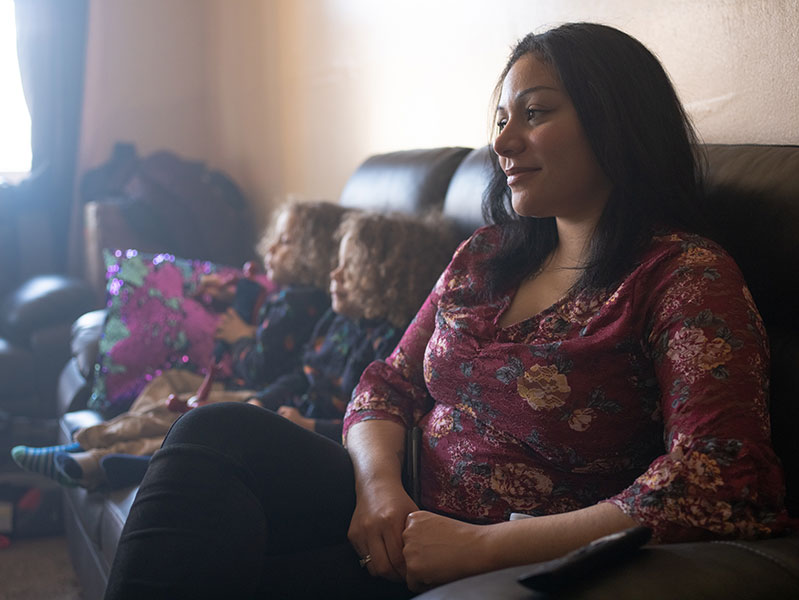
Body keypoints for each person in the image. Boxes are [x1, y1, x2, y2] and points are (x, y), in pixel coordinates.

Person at [103, 23, 794, 600]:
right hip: (396, 504)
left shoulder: (681, 275)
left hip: (500, 546)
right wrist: (378, 491)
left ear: (616, 120)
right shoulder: (484, 255)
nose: (502, 142)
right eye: (500, 120)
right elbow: (386, 384)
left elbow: (719, 478)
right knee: (215, 432)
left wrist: (480, 548)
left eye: (535, 113)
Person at [11, 200, 348, 489]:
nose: (270, 249)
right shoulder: (284, 296)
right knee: (167, 383)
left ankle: (92, 454)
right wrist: (230, 297)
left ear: (312, 253)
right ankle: (94, 443)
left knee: (181, 418)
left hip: (262, 397)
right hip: (245, 386)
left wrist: (240, 337)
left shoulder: (302, 304)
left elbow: (261, 367)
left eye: (285, 242)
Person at [247, 210, 461, 441]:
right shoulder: (337, 320)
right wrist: (262, 401)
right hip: (295, 419)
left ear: (388, 278)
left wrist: (309, 426)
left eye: (351, 267)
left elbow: (381, 423)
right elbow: (302, 374)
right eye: (339, 263)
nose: (335, 274)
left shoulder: (393, 344)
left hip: (334, 442)